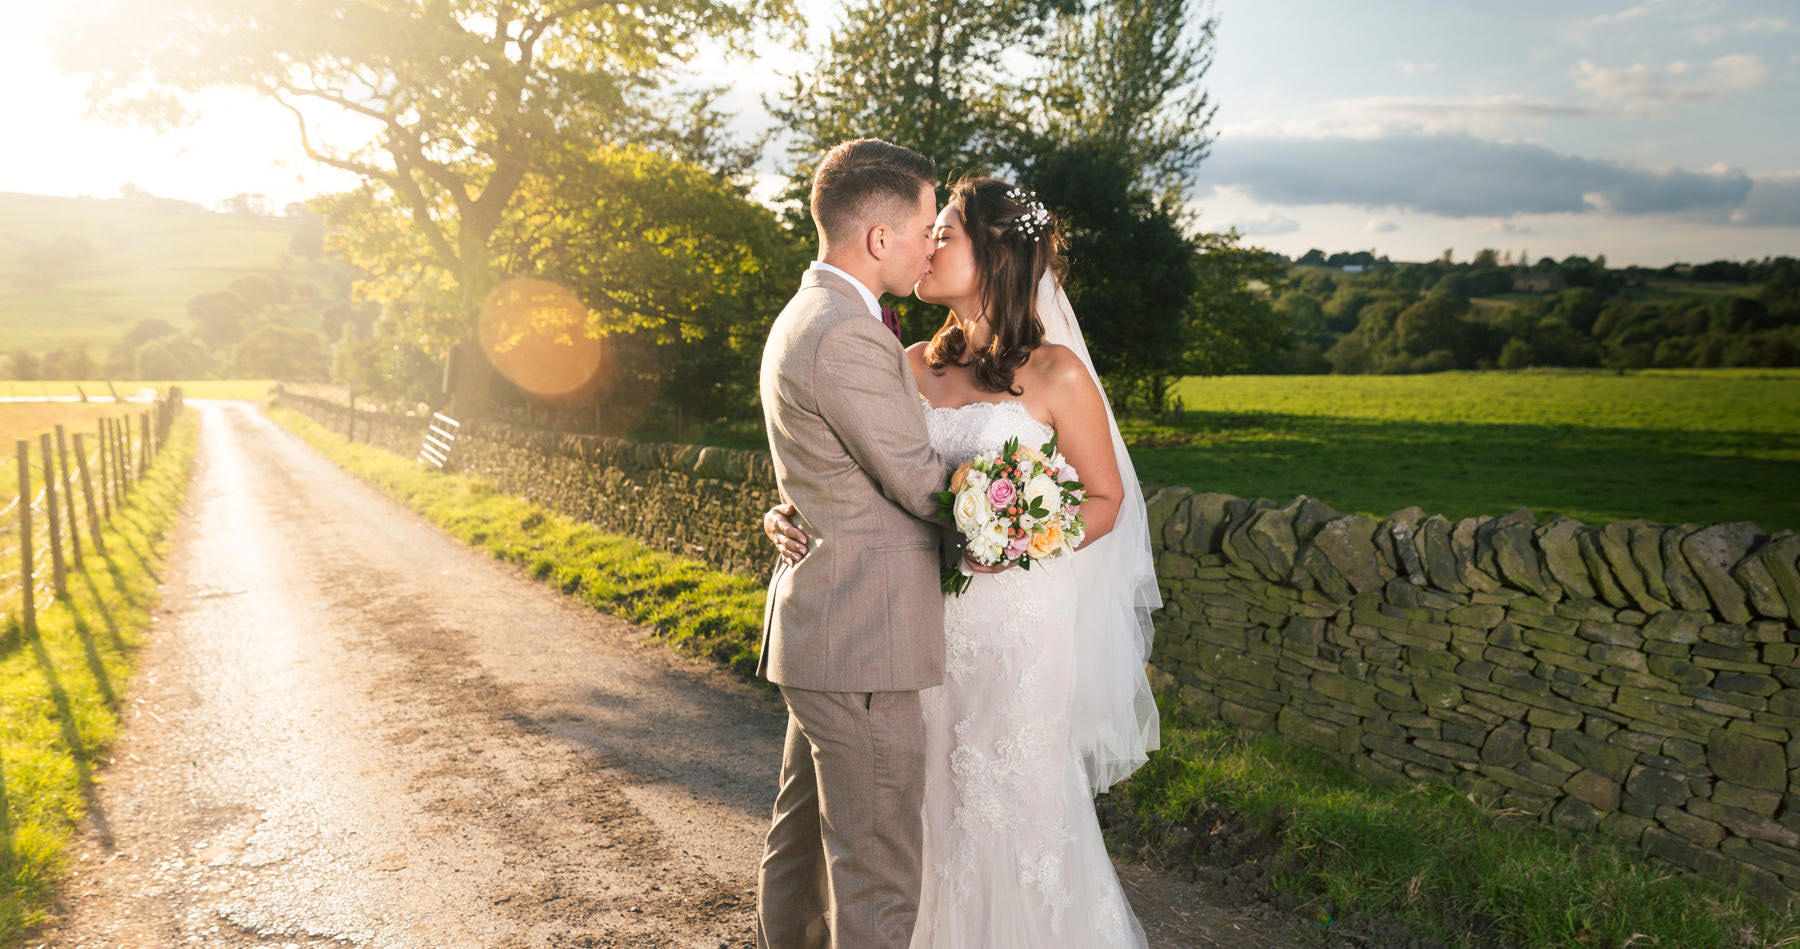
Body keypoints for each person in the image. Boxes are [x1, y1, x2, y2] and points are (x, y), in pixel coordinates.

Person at [761, 175, 1162, 947]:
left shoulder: (1056, 374)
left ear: (998, 255)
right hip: (908, 619)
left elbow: (1104, 499)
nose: (930, 244)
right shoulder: (904, 360)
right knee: (912, 814)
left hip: (1014, 623)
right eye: (930, 228)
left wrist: (1018, 533)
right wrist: (792, 510)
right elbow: (845, 465)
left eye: (946, 232)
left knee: (1004, 806)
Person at [754, 137, 970, 949]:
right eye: (923, 225)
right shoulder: (846, 331)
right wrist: (1019, 504)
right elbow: (919, 480)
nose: (930, 243)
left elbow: (829, 467)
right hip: (864, 639)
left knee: (802, 844)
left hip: (829, 630)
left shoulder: (809, 312)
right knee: (876, 872)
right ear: (880, 238)